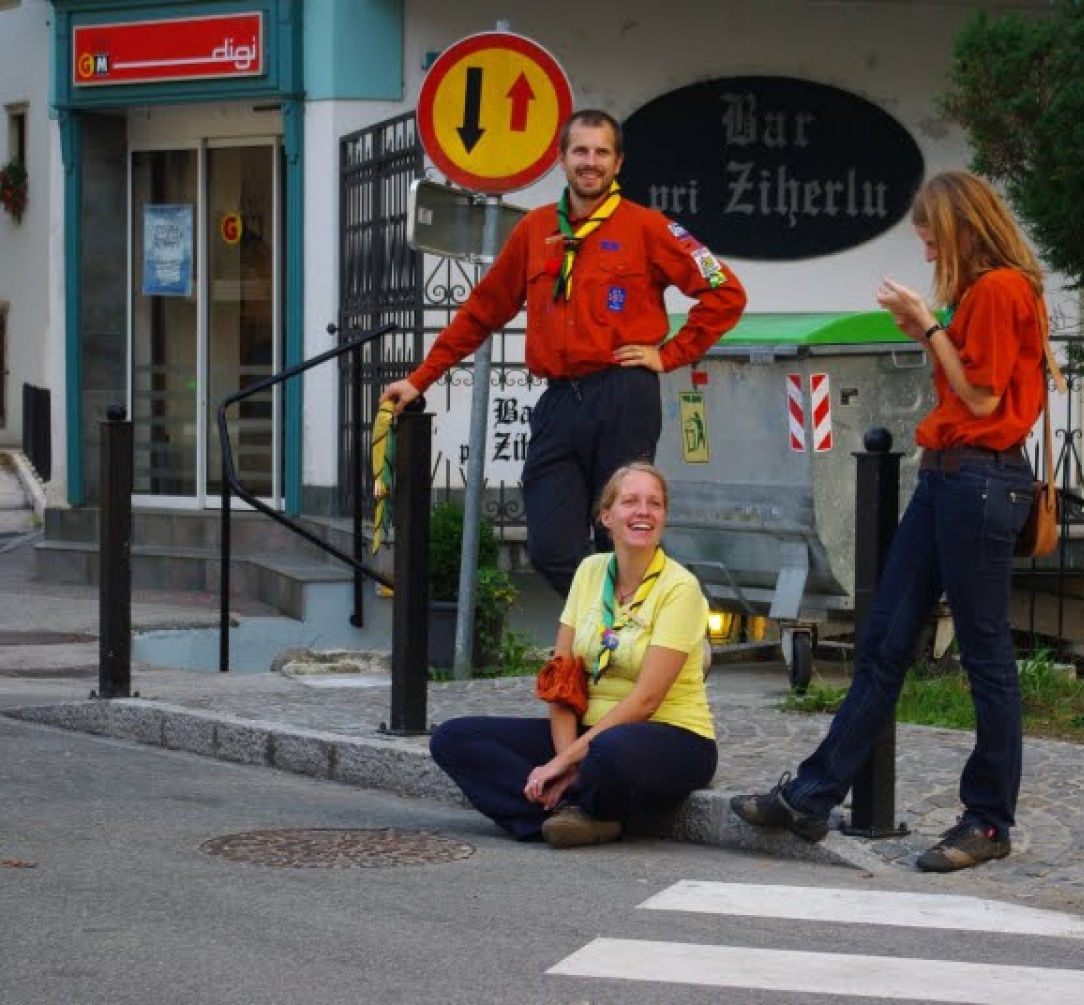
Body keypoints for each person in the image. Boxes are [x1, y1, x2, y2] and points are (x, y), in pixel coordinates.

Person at [730, 170, 1048, 873]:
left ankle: (989, 821)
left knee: (984, 655)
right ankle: (813, 794)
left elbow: (982, 394)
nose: (927, 251)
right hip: (951, 480)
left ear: (965, 225)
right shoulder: (988, 290)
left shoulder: (998, 290)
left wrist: (928, 325)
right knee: (884, 639)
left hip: (978, 481)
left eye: (932, 236)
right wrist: (930, 326)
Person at [381, 109, 747, 597]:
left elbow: (725, 292)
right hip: (558, 401)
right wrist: (420, 379)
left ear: (618, 162)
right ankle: (618, 625)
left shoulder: (648, 227)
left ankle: (641, 640)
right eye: (580, 151)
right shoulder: (534, 231)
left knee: (620, 533)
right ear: (562, 159)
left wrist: (670, 355)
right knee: (551, 547)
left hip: (623, 395)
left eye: (601, 152)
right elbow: (481, 311)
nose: (590, 162)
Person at [429, 462, 716, 849]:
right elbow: (563, 679)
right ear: (606, 516)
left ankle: (574, 805)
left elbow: (646, 701)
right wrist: (568, 757)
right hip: (588, 737)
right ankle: (570, 812)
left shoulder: (680, 588)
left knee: (610, 752)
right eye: (630, 501)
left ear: (664, 516)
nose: (643, 512)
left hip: (672, 737)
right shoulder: (590, 572)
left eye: (655, 504)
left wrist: (565, 764)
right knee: (453, 738)